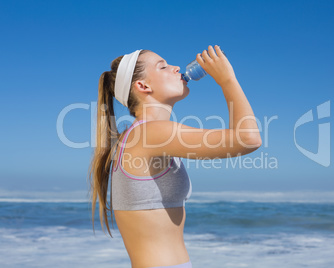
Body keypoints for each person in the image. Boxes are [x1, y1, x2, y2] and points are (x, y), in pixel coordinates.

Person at [88, 45, 262, 268]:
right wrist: (227, 80)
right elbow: (249, 139)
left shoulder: (139, 134)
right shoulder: (149, 133)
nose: (176, 68)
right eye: (163, 66)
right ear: (143, 86)